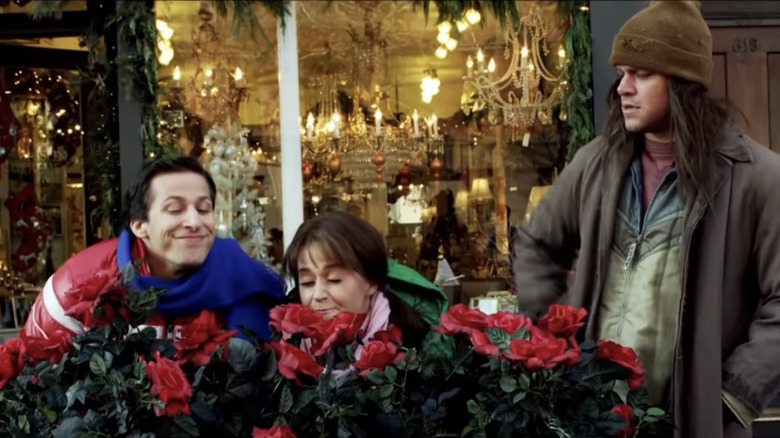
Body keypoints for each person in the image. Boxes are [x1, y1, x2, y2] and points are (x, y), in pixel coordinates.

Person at [513, 2, 780, 438]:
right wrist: (553, 341)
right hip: (592, 419)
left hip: (690, 421)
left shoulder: (758, 178)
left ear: (683, 81)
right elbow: (537, 246)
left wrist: (733, 395)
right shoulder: (593, 165)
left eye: (641, 73)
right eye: (621, 73)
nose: (623, 87)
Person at [22, 156, 285, 341]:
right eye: (174, 209)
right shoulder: (77, 285)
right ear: (139, 225)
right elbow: (33, 381)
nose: (194, 222)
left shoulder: (245, 281)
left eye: (204, 209)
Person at [283, 211, 450, 356]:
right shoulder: (290, 345)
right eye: (307, 282)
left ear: (371, 282)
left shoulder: (417, 350)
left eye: (334, 279)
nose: (318, 295)